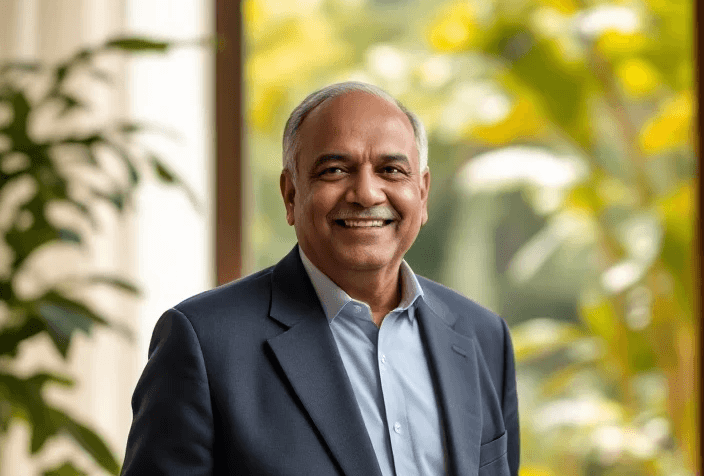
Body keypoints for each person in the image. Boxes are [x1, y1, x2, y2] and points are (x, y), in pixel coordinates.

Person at [121, 82, 519, 476]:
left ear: (423, 192)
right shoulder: (203, 344)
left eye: (391, 170)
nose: (366, 193)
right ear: (291, 195)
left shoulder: (484, 337)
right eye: (335, 170)